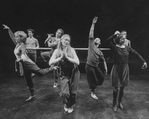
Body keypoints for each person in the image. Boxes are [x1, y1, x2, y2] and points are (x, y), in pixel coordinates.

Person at [3, 24, 56, 102]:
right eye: (15, 37)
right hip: (23, 64)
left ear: (21, 38)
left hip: (27, 63)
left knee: (40, 73)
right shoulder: (17, 44)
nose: (15, 38)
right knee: (28, 79)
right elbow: (12, 37)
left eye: (17, 37)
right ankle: (32, 95)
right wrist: (9, 29)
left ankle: (52, 68)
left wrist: (20, 59)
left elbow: (24, 55)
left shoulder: (22, 45)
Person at [107, 31, 147, 112]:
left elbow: (136, 54)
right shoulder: (114, 47)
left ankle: (119, 102)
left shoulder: (127, 48)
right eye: (122, 39)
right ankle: (114, 103)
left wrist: (144, 61)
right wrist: (114, 34)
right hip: (117, 68)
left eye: (124, 39)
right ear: (118, 39)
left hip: (125, 69)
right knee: (116, 88)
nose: (124, 40)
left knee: (122, 88)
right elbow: (108, 41)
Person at [49, 34, 80, 113]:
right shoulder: (57, 51)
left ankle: (71, 105)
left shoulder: (71, 50)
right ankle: (66, 103)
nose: (67, 42)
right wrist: (60, 58)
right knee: (64, 93)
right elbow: (50, 62)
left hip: (74, 73)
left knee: (73, 92)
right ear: (61, 40)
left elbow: (77, 62)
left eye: (68, 40)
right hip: (64, 74)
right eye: (65, 40)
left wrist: (67, 58)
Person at [85, 17, 108, 100]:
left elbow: (104, 60)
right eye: (96, 38)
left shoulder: (99, 51)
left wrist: (105, 68)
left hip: (95, 66)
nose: (96, 38)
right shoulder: (91, 45)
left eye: (98, 39)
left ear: (99, 43)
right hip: (89, 65)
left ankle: (92, 85)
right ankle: (92, 91)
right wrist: (93, 24)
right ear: (94, 40)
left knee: (101, 78)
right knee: (93, 79)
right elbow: (91, 34)